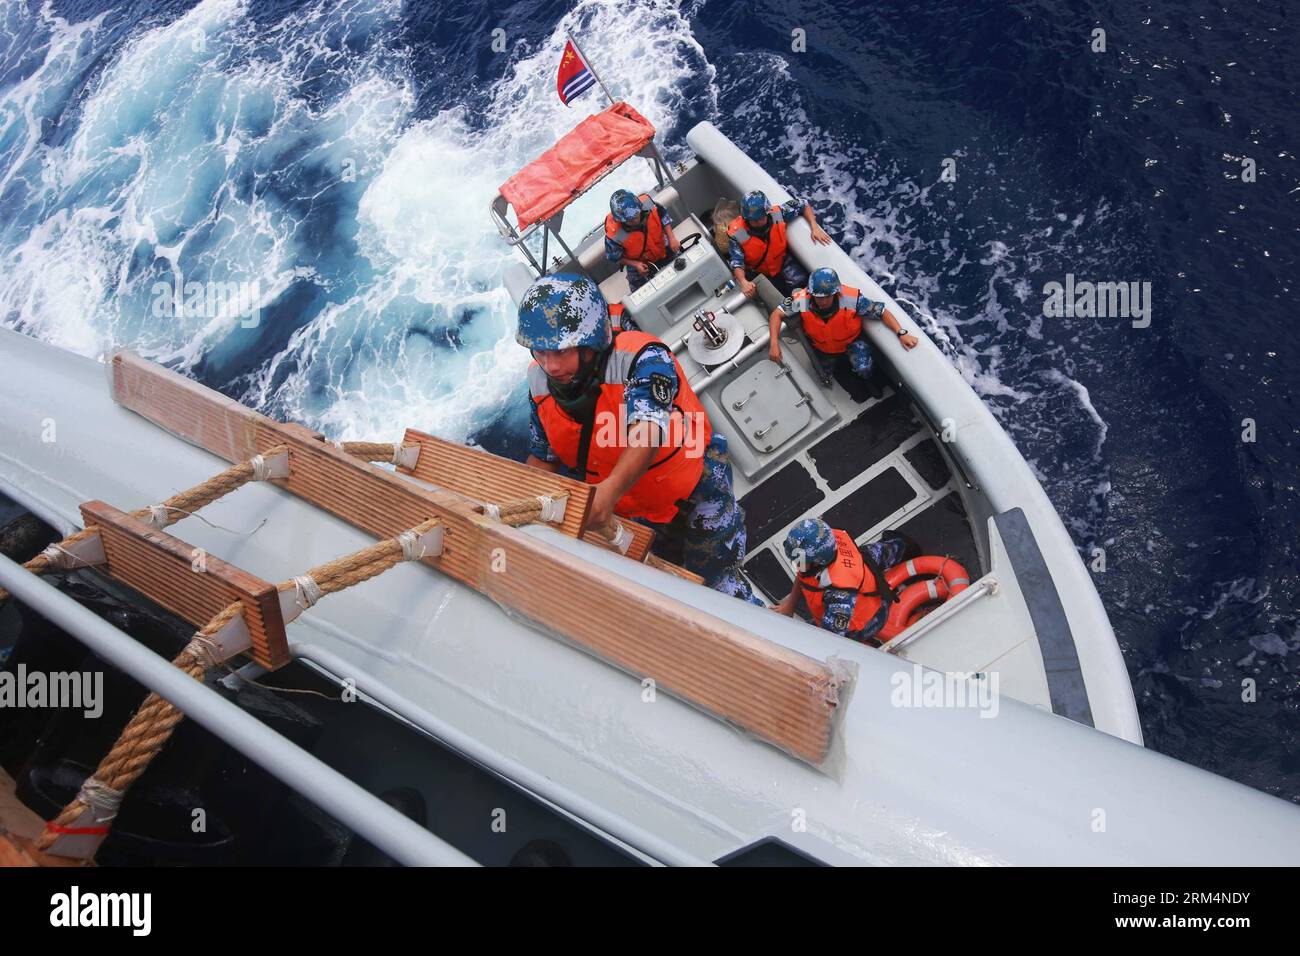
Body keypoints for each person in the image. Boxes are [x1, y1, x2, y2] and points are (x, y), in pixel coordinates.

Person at [518, 273, 761, 604]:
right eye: (540, 352)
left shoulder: (644, 357)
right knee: (664, 592)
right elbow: (542, 459)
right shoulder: (540, 385)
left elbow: (647, 431)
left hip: (695, 495)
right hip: (631, 514)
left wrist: (608, 493)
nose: (550, 365)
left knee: (721, 589)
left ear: (590, 344)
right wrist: (517, 506)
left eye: (560, 352)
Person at [774, 518, 918, 644]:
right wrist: (789, 606)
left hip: (869, 619)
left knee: (807, 635)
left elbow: (829, 638)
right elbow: (804, 575)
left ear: (819, 561)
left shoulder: (840, 596)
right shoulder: (825, 540)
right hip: (858, 567)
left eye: (800, 561)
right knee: (879, 552)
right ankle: (901, 546)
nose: (797, 565)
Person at [768, 267, 919, 380]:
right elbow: (777, 314)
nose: (823, 301)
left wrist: (901, 333)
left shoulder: (853, 300)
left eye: (827, 296)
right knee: (821, 372)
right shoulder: (801, 300)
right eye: (818, 297)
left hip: (851, 342)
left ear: (835, 292)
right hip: (821, 347)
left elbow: (882, 312)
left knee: (865, 369)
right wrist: (774, 343)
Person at [727, 189, 832, 299]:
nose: (758, 222)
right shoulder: (738, 233)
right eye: (754, 220)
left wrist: (814, 226)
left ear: (767, 212)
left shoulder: (778, 214)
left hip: (781, 259)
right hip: (758, 270)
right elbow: (737, 262)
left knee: (800, 282)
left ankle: (803, 307)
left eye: (761, 218)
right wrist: (743, 282)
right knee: (774, 297)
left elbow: (803, 204)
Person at [605, 189, 681, 293]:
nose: (634, 221)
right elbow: (614, 257)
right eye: (629, 220)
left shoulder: (649, 205)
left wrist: (672, 238)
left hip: (663, 247)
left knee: (682, 267)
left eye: (636, 216)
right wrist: (635, 264)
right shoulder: (616, 234)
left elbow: (663, 217)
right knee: (640, 294)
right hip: (638, 264)